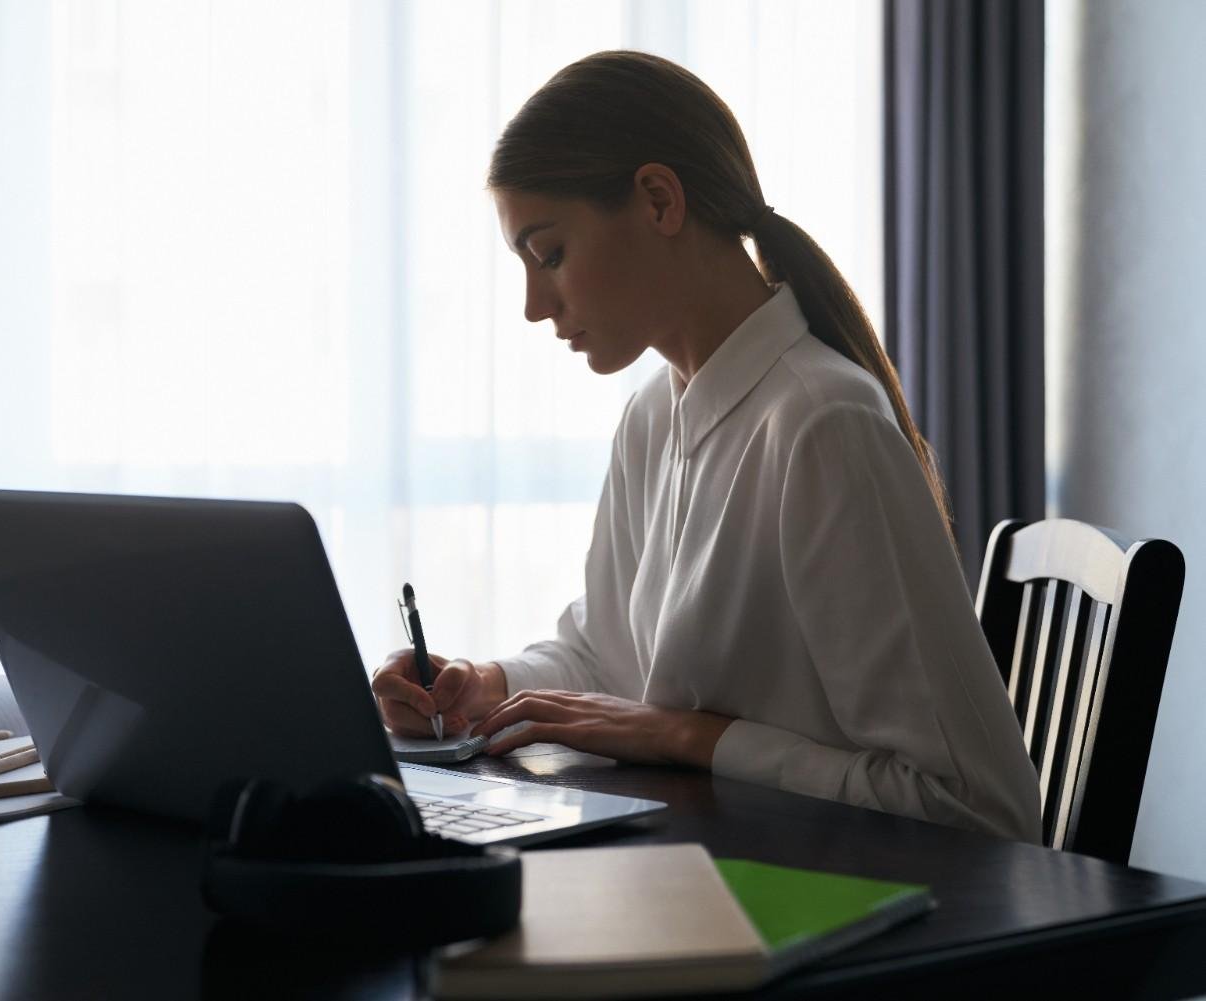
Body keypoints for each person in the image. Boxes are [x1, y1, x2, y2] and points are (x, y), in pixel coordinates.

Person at [371, 51, 1040, 843]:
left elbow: (977, 806)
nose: (532, 304)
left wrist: (690, 736)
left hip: (835, 910)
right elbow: (608, 654)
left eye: (549, 254)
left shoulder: (824, 425)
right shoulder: (655, 416)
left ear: (659, 200)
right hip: (704, 874)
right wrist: (481, 688)